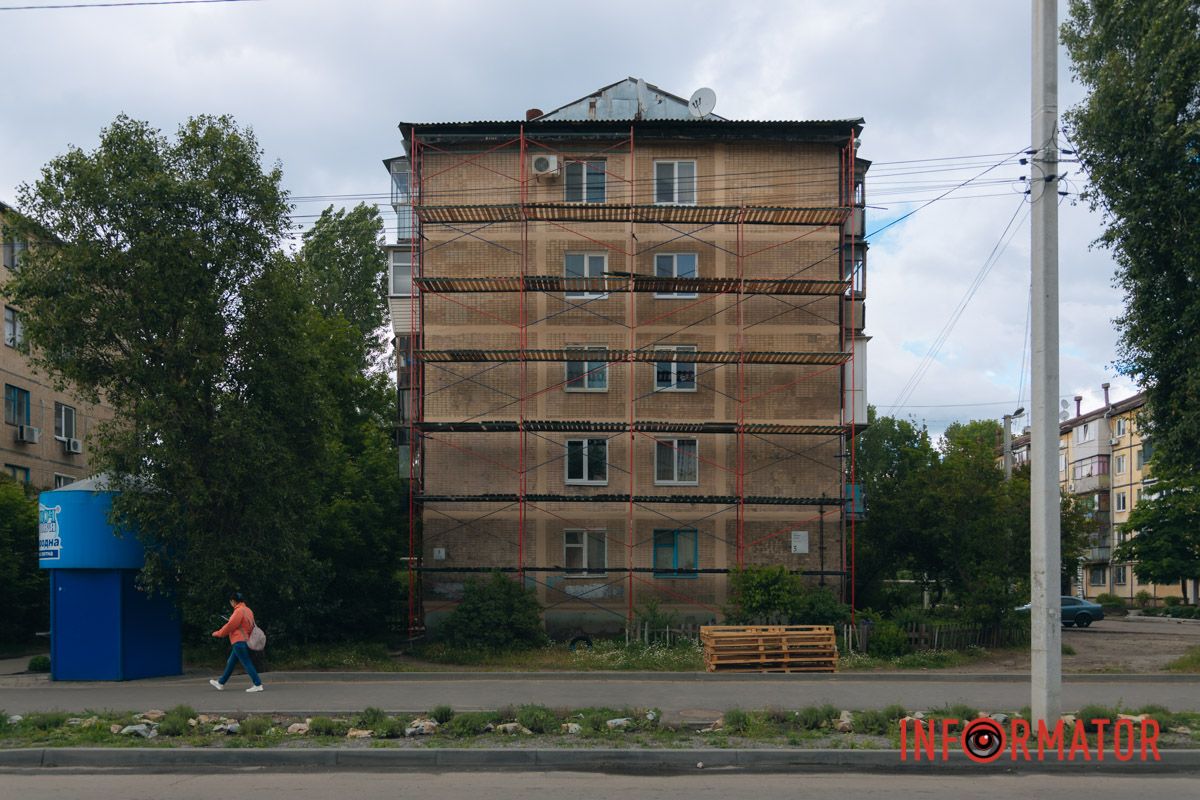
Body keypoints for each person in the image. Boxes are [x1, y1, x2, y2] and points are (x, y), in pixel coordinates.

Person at [209, 592, 264, 692]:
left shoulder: (238, 611)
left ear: (233, 601)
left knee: (246, 662)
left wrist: (218, 633)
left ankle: (258, 684)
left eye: (231, 602)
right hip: (246, 640)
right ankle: (221, 683)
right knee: (231, 662)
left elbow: (230, 625)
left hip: (239, 641)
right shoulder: (248, 610)